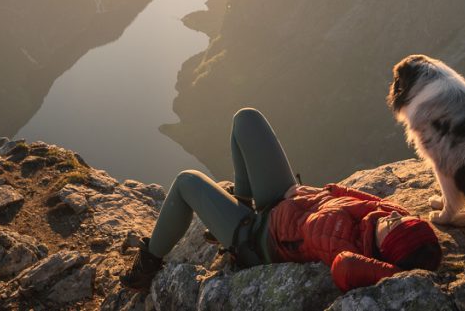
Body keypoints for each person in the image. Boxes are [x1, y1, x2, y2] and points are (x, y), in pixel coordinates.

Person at [121, 108, 442, 292]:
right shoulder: (382, 218)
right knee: (246, 120)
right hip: (285, 198)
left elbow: (344, 271)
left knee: (185, 182)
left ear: (385, 253)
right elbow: (356, 197)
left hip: (258, 240)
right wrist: (316, 192)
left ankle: (147, 263)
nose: (393, 218)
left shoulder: (351, 254)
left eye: (394, 227)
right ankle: (240, 204)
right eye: (402, 218)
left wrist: (400, 276)